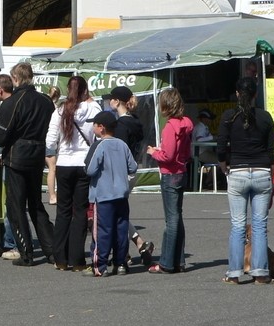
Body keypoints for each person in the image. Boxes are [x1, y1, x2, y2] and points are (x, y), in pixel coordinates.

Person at [0, 62, 55, 266]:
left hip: (17, 157)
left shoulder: (13, 102)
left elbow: (0, 137)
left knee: (16, 206)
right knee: (36, 204)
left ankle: (26, 253)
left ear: (16, 79)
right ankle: (52, 250)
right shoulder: (46, 101)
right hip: (37, 154)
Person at [216, 77, 274, 284]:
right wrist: (272, 178)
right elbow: (271, 151)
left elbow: (221, 146)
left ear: (237, 94)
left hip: (238, 171)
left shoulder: (229, 116)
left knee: (238, 225)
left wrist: (225, 168)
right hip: (262, 171)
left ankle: (234, 273)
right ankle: (260, 272)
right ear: (255, 95)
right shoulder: (266, 117)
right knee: (259, 225)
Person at [46, 75, 99, 271]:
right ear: (85, 90)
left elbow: (50, 140)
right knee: (80, 213)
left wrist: (53, 153)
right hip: (84, 164)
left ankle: (60, 258)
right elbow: (99, 134)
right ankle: (77, 259)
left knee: (63, 211)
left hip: (64, 164)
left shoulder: (60, 110)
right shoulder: (93, 108)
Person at [103, 85, 154, 265]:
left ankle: (125, 251)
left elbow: (118, 152)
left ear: (117, 101)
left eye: (111, 99)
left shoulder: (121, 126)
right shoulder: (135, 121)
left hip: (121, 173)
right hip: (133, 170)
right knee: (118, 212)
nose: (108, 101)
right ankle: (139, 244)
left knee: (115, 214)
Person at [83, 111, 137, 277]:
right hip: (121, 195)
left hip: (104, 196)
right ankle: (120, 263)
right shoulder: (122, 145)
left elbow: (90, 169)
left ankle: (100, 265)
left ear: (101, 128)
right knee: (121, 230)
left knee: (102, 231)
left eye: (94, 125)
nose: (92, 127)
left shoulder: (99, 146)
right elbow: (133, 167)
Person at [147, 87, 193, 274]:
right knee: (177, 217)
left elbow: (167, 155)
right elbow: (184, 152)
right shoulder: (187, 123)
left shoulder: (170, 126)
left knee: (171, 220)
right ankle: (178, 261)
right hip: (181, 171)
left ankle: (166, 262)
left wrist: (153, 152)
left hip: (170, 173)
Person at [0, 74, 19, 260]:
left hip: (12, 159)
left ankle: (12, 243)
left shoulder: (6, 107)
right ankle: (15, 242)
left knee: (12, 204)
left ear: (1, 89)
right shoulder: (17, 103)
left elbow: (2, 134)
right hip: (20, 158)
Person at [45, 86, 62, 205]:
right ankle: (52, 195)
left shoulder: (44, 105)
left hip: (47, 140)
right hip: (51, 141)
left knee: (52, 169)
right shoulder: (56, 109)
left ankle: (53, 195)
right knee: (53, 169)